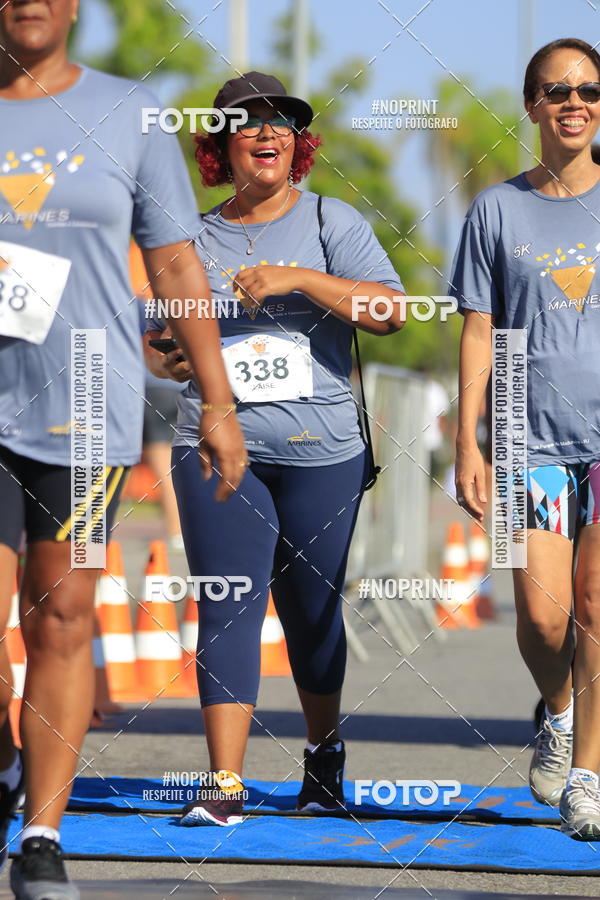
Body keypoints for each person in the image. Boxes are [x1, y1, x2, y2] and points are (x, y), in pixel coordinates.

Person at [0, 1, 245, 897]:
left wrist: (214, 400)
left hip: (87, 404)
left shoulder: (132, 115)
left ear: (71, 7)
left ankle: (41, 834)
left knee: (59, 619)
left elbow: (176, 263)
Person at [145, 71, 406, 826]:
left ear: (297, 145)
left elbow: (389, 312)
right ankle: (223, 783)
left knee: (312, 613)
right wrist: (174, 354)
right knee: (227, 603)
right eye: (248, 123)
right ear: (219, 145)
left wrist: (298, 278)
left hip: (323, 451)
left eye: (281, 124)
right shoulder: (188, 238)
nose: (266, 133)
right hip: (218, 446)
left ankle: (323, 754)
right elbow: (162, 347)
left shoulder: (333, 222)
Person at [452, 38, 600, 840]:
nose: (575, 102)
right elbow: (479, 332)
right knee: (544, 621)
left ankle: (588, 777)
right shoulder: (498, 210)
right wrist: (471, 441)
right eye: (557, 90)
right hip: (525, 443)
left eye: (589, 89)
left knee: (594, 606)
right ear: (533, 105)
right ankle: (557, 708)